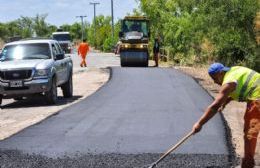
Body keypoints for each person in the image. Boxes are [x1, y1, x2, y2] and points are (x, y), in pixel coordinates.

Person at [192, 63, 260, 168]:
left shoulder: (229, 81)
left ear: (220, 73)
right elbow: (239, 88)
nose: (214, 82)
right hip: (256, 95)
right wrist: (225, 102)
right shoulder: (234, 71)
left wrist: (199, 124)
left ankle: (248, 164)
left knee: (250, 134)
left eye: (214, 78)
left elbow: (214, 106)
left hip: (257, 100)